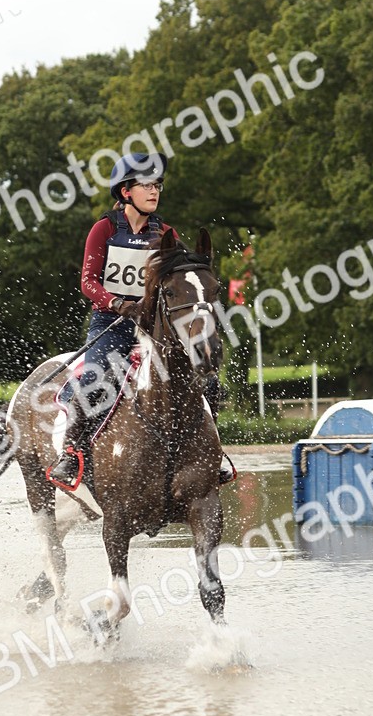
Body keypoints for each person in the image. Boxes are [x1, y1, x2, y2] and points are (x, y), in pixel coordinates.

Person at [46, 151, 235, 489]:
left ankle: (211, 455)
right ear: (125, 192)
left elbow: (177, 280)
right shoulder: (103, 229)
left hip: (153, 324)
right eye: (146, 185)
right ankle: (72, 454)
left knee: (207, 380)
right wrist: (118, 303)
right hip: (110, 321)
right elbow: (88, 281)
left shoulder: (165, 233)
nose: (154, 191)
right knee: (95, 379)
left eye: (157, 185)